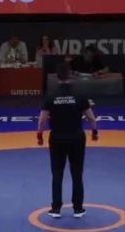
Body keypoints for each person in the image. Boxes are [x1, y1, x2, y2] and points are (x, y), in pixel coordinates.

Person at [36, 63, 99, 218]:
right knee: (77, 173)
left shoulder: (51, 96)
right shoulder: (79, 95)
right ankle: (78, 208)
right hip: (76, 138)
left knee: (57, 173)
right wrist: (94, 131)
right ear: (70, 75)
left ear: (57, 77)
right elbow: (91, 117)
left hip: (57, 138)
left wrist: (39, 134)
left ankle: (56, 208)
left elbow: (42, 120)